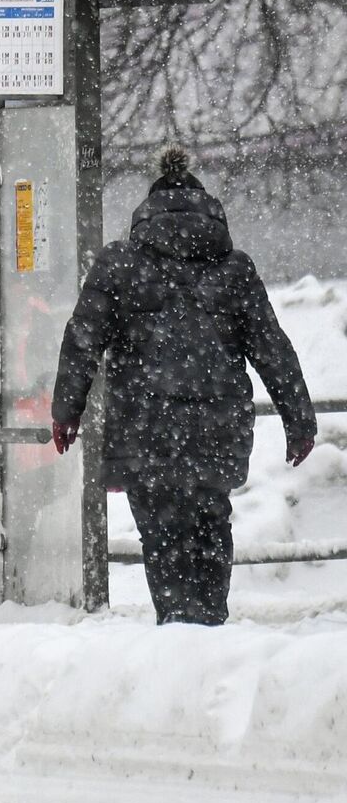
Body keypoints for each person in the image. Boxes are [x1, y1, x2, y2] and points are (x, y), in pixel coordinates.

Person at [52, 145, 315, 625]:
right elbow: (272, 347)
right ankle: (208, 621)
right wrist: (299, 420)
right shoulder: (235, 269)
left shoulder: (119, 263)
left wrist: (67, 411)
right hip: (217, 429)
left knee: (160, 531)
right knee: (211, 524)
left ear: (147, 210)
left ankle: (176, 628)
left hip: (145, 428)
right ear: (208, 210)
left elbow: (82, 340)